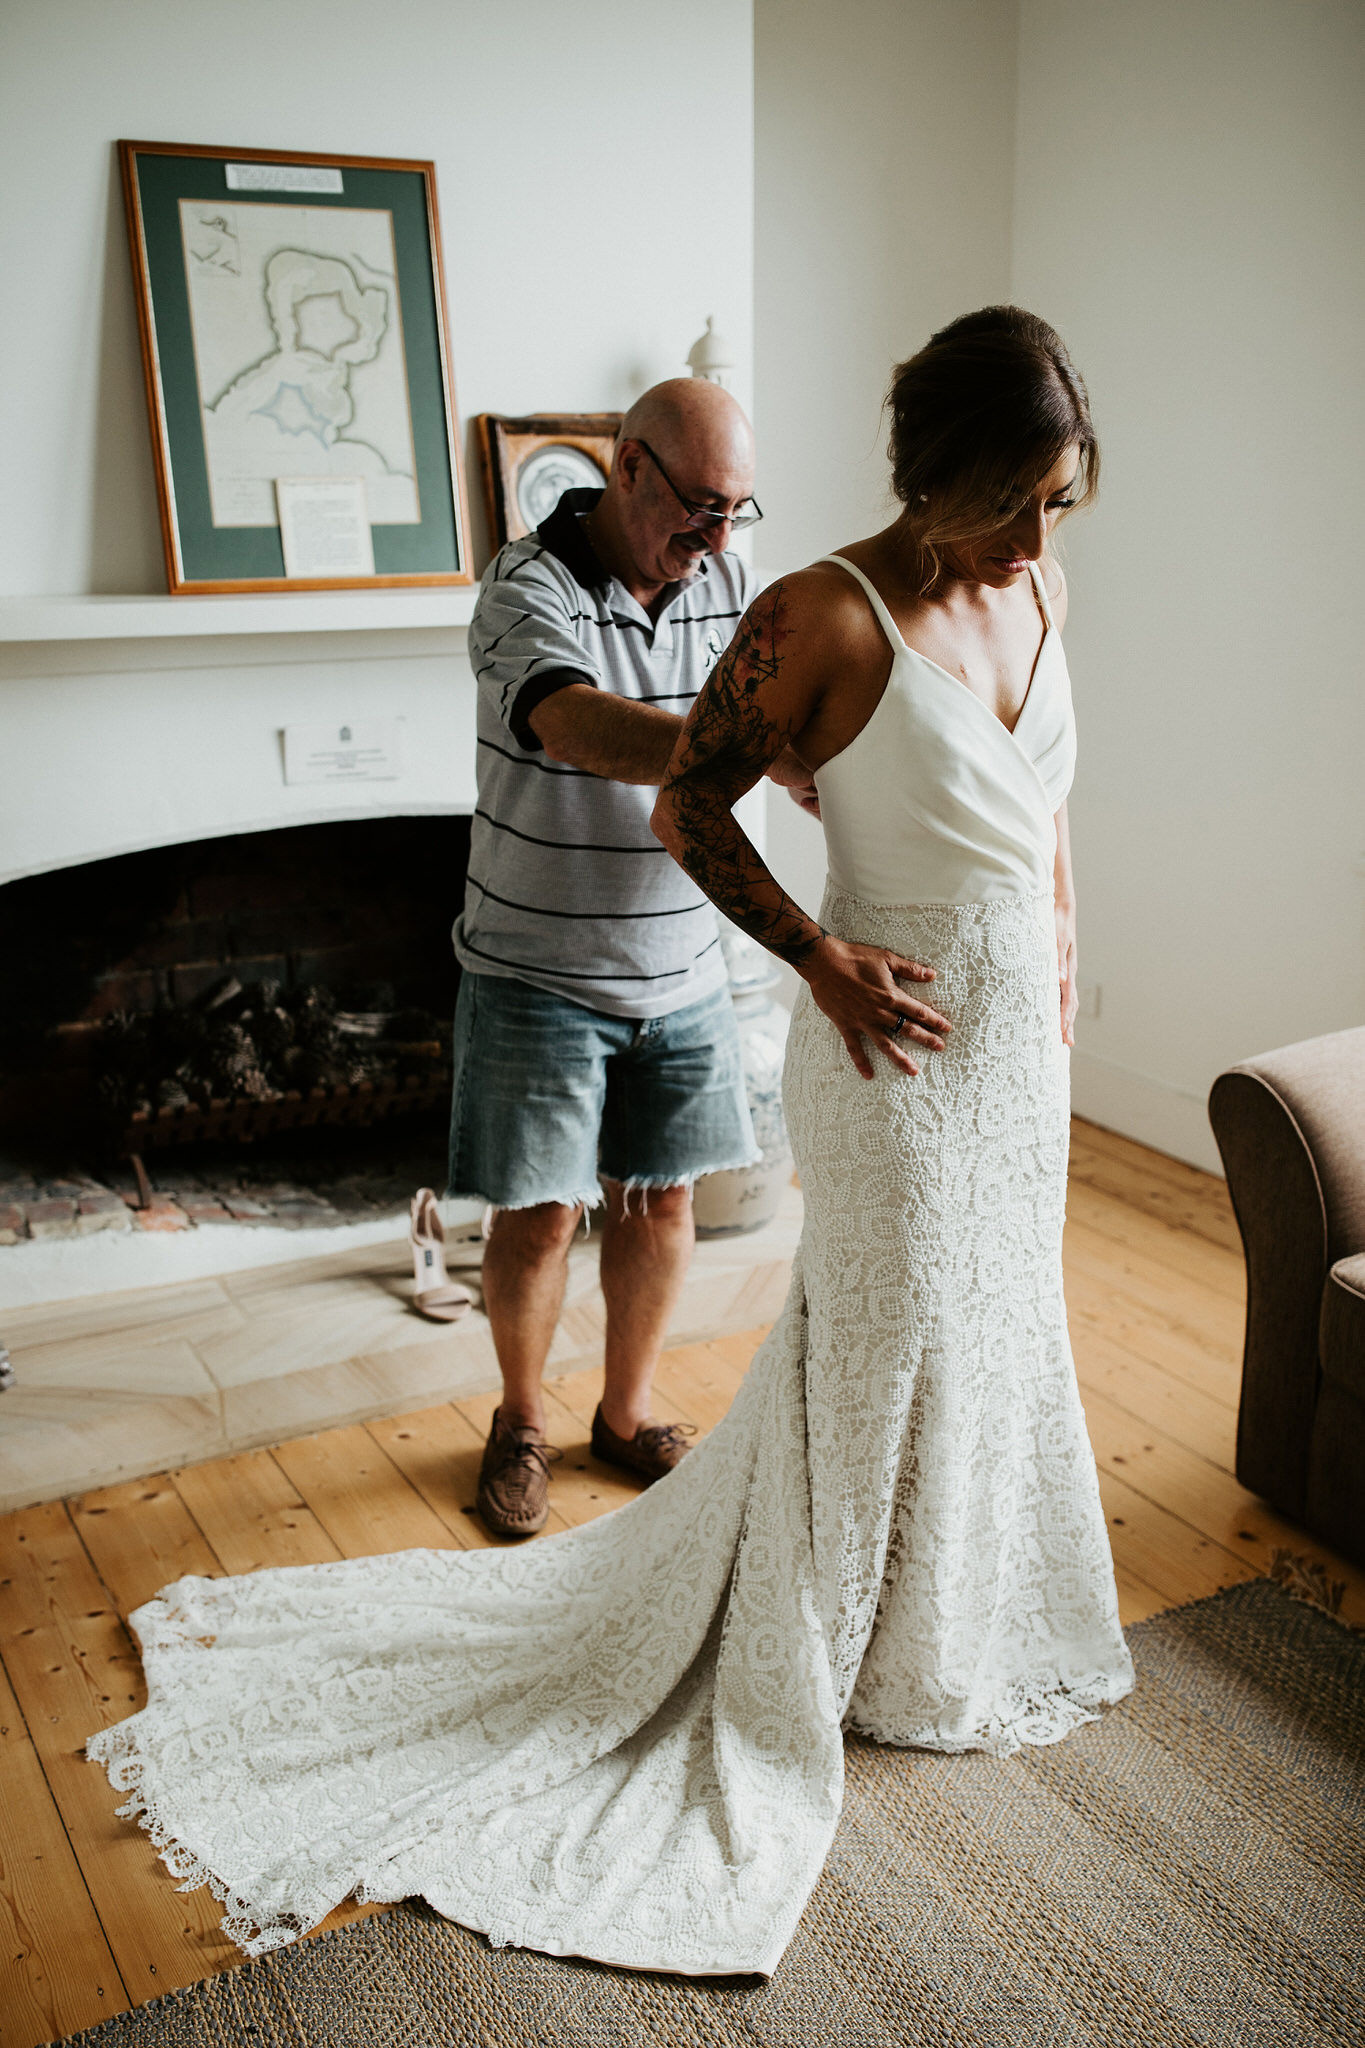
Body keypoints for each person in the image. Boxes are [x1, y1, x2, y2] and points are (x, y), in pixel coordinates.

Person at [89, 309, 1132, 1978]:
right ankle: (549, 1434)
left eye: (1054, 504)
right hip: (753, 1004)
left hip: (1000, 1056)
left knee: (980, 1324)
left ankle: (895, 1603)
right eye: (1008, 498)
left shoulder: (1019, 585)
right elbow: (652, 775)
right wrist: (809, 918)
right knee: (805, 1308)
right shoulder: (755, 610)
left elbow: (1043, 803)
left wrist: (1068, 941)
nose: (1030, 538)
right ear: (928, 471)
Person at [447, 379, 802, 1537]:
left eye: (737, 512)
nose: (715, 538)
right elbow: (573, 723)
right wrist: (746, 743)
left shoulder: (734, 586)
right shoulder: (523, 585)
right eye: (701, 505)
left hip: (683, 966)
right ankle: (520, 1420)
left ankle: (624, 1409)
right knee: (541, 1215)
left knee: (660, 1206)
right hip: (535, 965)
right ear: (629, 466)